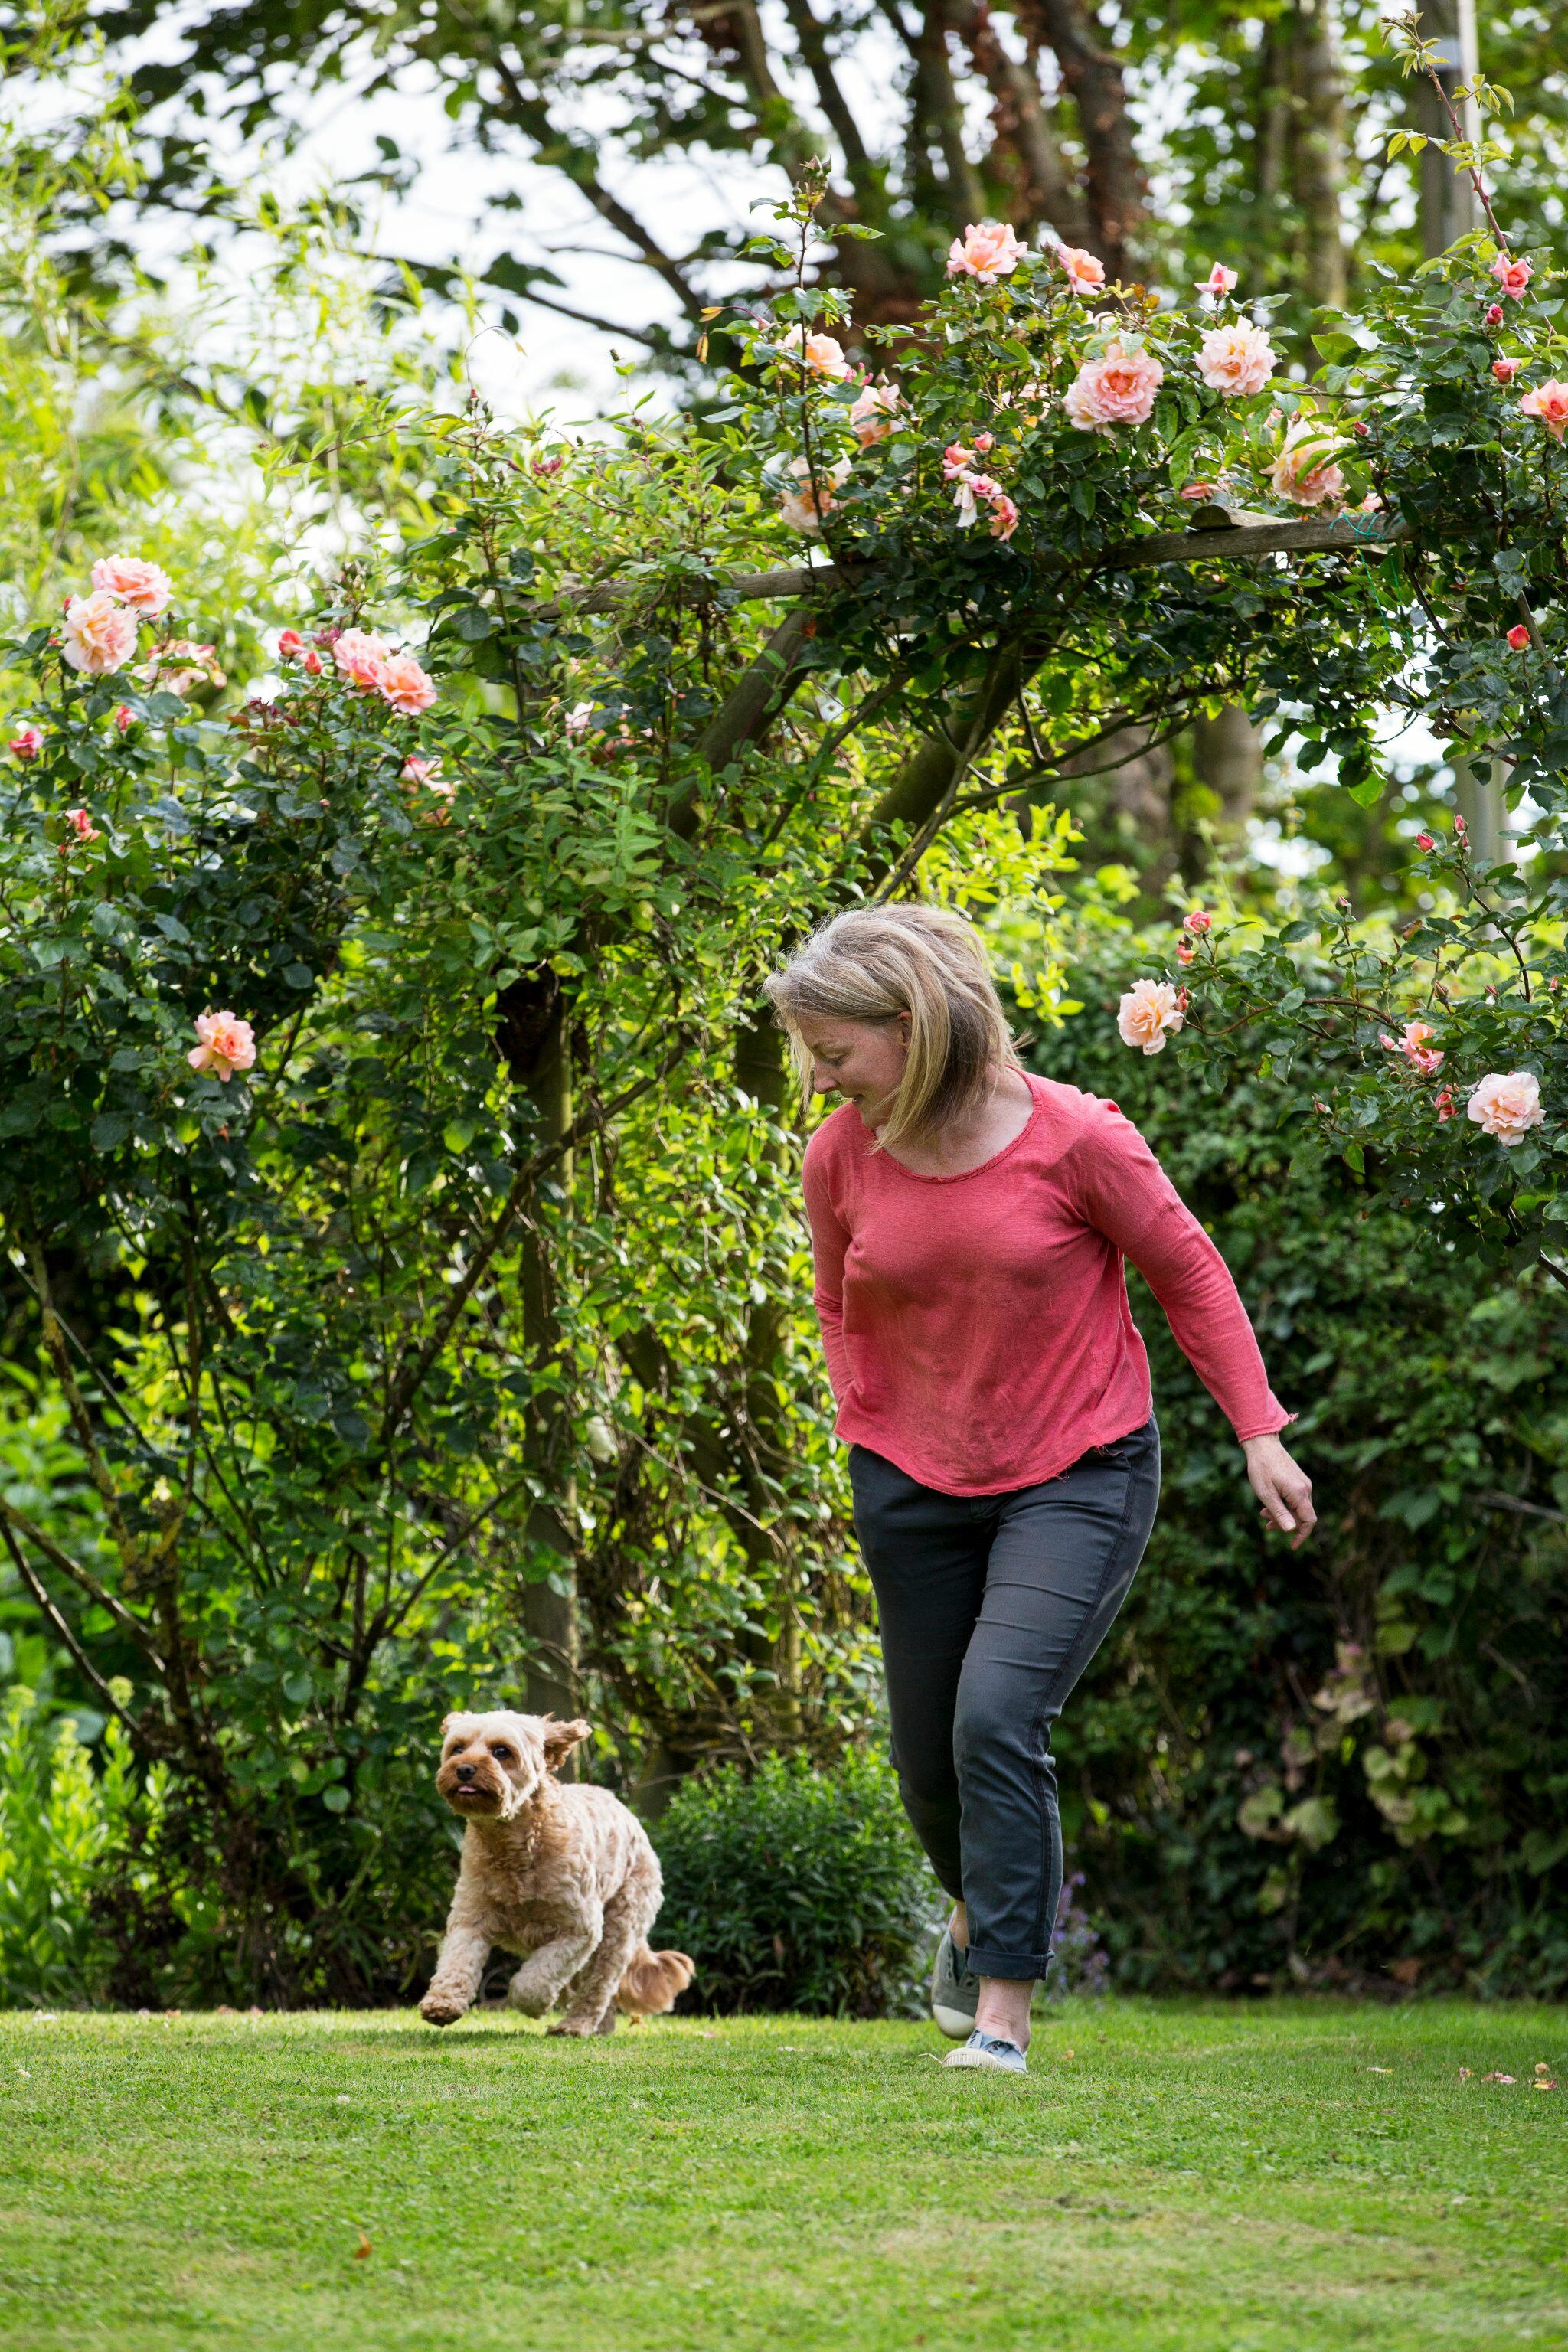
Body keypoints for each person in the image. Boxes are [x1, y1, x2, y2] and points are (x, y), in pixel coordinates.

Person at [763, 903, 1315, 2075]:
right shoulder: (842, 1153)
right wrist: (864, 1410)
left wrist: (1258, 1430)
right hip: (910, 1474)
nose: (816, 1078)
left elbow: (1189, 1272)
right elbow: (833, 1296)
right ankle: (976, 1913)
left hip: (1079, 1467)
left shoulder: (1076, 1138)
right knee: (925, 1756)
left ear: (913, 1026)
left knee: (995, 1719)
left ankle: (1002, 2016)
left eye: (835, 1051)